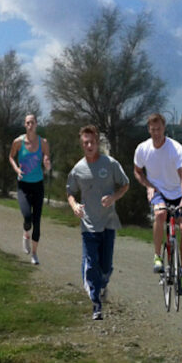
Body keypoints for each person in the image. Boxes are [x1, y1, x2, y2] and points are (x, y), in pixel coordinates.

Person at [66, 125, 129, 320]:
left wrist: (113, 197)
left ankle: (102, 285)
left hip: (108, 223)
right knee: (92, 264)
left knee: (106, 267)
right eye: (86, 142)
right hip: (88, 225)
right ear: (82, 144)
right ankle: (96, 304)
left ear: (97, 143)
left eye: (92, 142)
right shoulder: (78, 169)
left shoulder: (110, 164)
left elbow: (125, 184)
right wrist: (74, 205)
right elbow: (70, 192)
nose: (89, 145)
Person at [133, 113, 182, 294]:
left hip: (177, 193)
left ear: (164, 128)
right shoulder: (143, 149)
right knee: (160, 214)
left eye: (159, 129)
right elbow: (137, 171)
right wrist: (148, 186)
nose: (156, 133)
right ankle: (157, 256)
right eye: (153, 130)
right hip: (158, 191)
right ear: (148, 130)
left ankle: (181, 271)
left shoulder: (175, 148)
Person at [8, 114, 52, 265]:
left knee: (37, 221)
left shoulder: (43, 142)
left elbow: (47, 160)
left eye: (32, 122)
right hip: (23, 185)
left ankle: (34, 254)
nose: (30, 125)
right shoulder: (18, 142)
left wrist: (47, 165)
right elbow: (11, 157)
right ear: (25, 125)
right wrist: (16, 170)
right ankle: (25, 234)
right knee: (27, 217)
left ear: (36, 124)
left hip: (38, 185)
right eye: (27, 123)